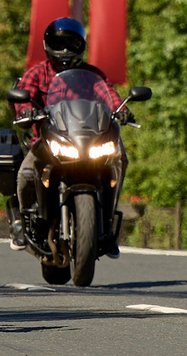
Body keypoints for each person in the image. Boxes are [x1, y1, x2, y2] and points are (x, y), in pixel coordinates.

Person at [10, 16, 127, 254]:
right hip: (49, 139)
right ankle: (21, 223)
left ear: (81, 46)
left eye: (71, 44)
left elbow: (109, 95)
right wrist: (26, 111)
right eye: (59, 43)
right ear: (47, 45)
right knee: (26, 173)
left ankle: (106, 226)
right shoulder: (37, 73)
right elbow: (22, 94)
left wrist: (122, 111)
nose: (64, 50)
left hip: (90, 138)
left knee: (120, 158)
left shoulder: (92, 75)